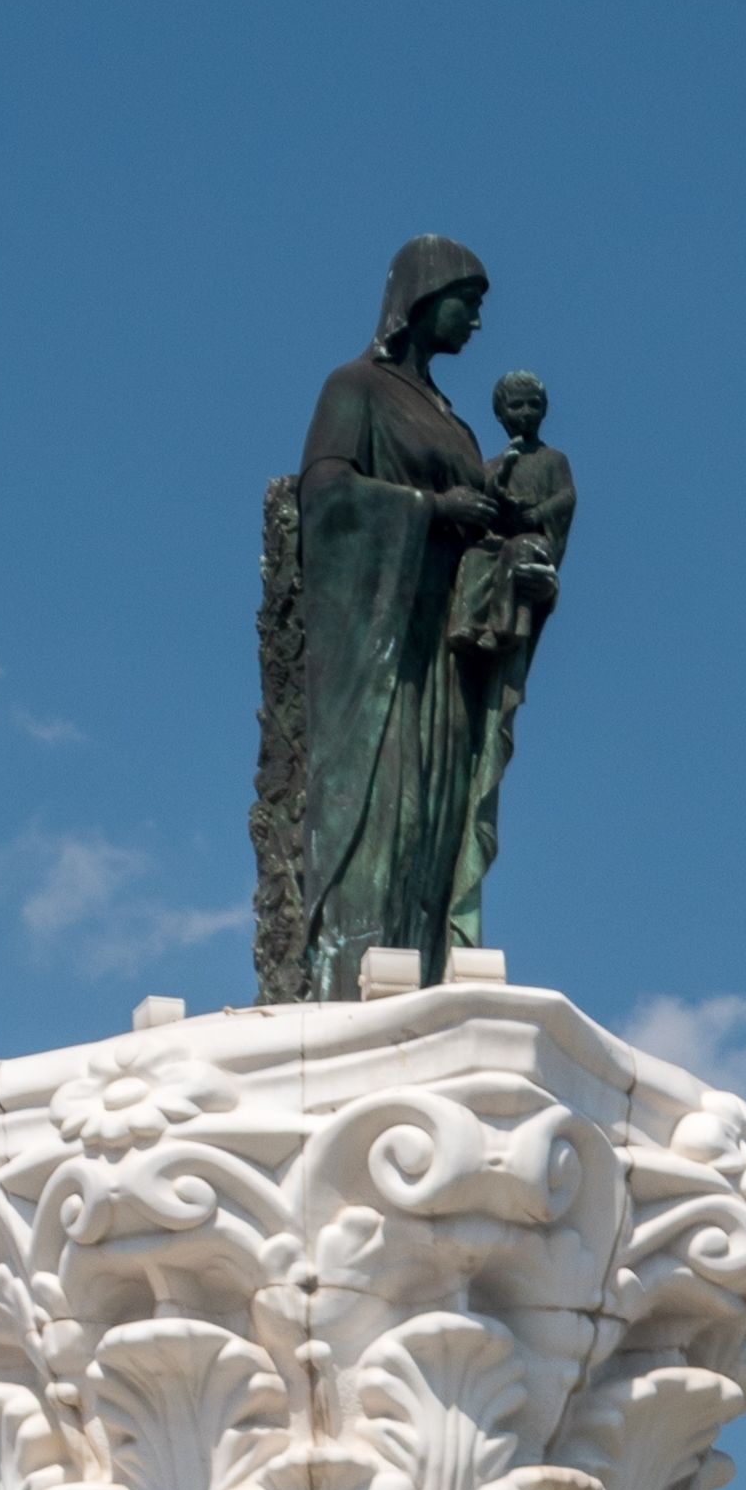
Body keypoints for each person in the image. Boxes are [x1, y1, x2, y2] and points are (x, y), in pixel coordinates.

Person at [293, 240, 516, 999]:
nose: (478, 323)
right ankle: (359, 972)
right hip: (381, 647)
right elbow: (323, 495)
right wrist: (429, 510)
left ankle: (418, 967)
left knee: (434, 819)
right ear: (423, 302)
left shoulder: (451, 420)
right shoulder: (354, 387)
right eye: (469, 304)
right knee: (388, 802)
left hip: (444, 645)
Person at [447, 369, 576, 960]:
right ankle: (474, 624)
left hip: (532, 543)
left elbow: (560, 507)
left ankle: (503, 626)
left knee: (521, 552)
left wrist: (527, 511)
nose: (524, 412)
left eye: (532, 403)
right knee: (480, 558)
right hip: (498, 541)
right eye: (514, 405)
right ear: (502, 412)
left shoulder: (553, 460)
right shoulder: (496, 460)